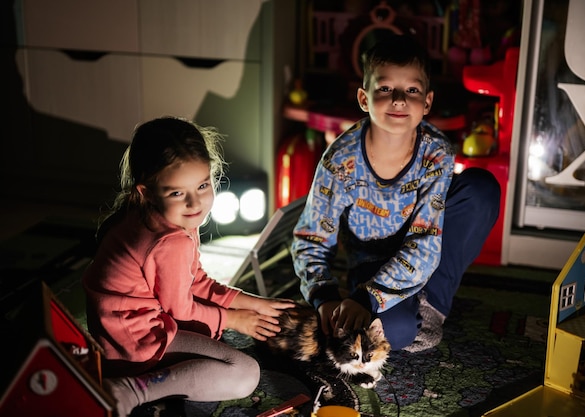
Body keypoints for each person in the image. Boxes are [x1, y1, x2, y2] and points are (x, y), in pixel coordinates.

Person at [291, 34, 500, 352]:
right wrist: (326, 298)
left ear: (427, 102)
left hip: (425, 249)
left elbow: (427, 240)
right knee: (397, 332)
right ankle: (404, 306)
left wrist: (367, 302)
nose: (399, 99)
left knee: (481, 189)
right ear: (364, 98)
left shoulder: (437, 152)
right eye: (386, 88)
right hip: (371, 262)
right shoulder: (341, 160)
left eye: (412, 90)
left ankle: (432, 304)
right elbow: (311, 238)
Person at [82, 116, 294, 417]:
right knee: (245, 373)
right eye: (178, 193)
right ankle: (131, 389)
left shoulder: (155, 213)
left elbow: (196, 282)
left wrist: (254, 304)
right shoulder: (170, 241)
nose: (196, 203)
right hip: (134, 346)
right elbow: (181, 310)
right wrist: (236, 320)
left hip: (117, 334)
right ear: (147, 192)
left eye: (203, 185)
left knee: (214, 328)